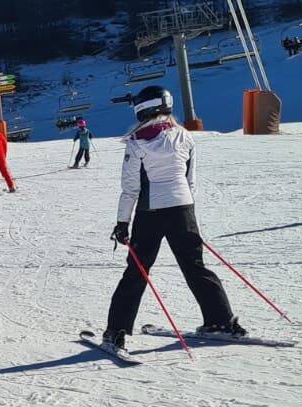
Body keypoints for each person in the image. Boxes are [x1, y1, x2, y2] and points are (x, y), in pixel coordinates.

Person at [101, 86, 243, 354]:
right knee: (195, 266)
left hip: (151, 212)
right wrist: (186, 214)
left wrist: (122, 223)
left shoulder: (137, 142)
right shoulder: (185, 135)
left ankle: (116, 331)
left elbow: (131, 188)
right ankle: (221, 320)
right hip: (182, 209)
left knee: (137, 271)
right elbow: (191, 180)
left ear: (143, 108)